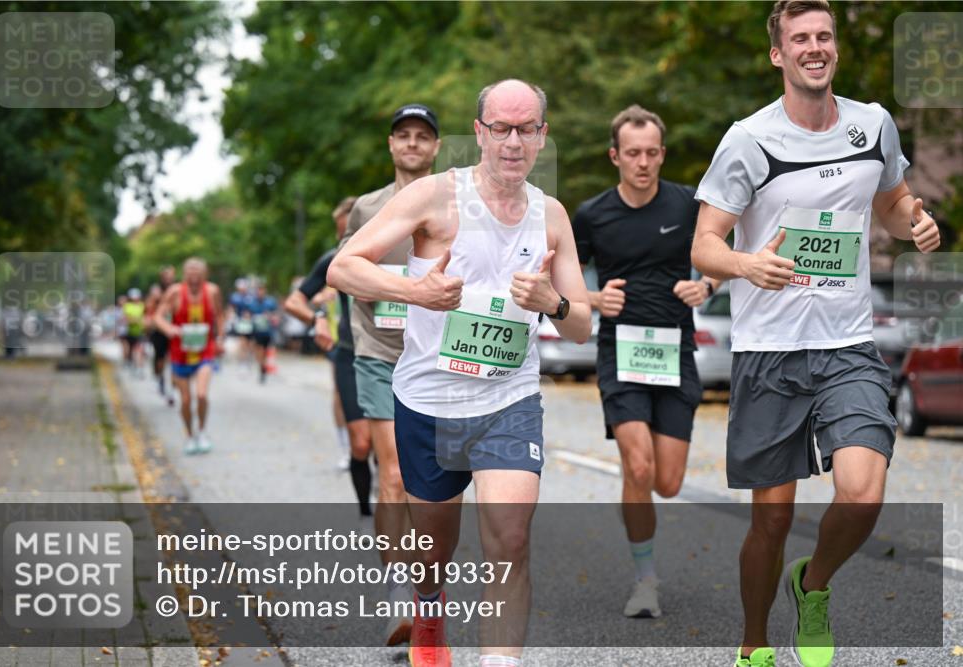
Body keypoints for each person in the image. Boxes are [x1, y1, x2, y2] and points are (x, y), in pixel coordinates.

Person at [690, 3, 941, 666]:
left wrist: (914, 222)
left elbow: (890, 204)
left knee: (862, 492)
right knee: (770, 520)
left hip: (847, 346)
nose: (814, 47)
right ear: (778, 53)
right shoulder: (749, 140)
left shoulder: (873, 125)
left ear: (835, 48)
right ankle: (754, 642)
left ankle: (816, 583)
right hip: (769, 353)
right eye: (799, 38)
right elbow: (705, 245)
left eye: (823, 36)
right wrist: (748, 263)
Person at [329, 79, 591, 667]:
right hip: (429, 399)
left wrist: (553, 302)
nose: (514, 141)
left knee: (511, 540)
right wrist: (414, 289)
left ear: (542, 136)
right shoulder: (434, 197)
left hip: (509, 398)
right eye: (501, 127)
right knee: (434, 548)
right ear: (479, 132)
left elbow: (580, 329)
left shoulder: (551, 217)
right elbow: (344, 269)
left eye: (527, 129)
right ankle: (427, 605)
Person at [573, 104, 720, 619]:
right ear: (615, 156)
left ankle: (636, 491)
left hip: (675, 352)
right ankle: (645, 579)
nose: (642, 162)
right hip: (619, 351)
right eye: (632, 153)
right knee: (638, 464)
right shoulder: (592, 215)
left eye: (651, 153)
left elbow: (722, 251)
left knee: (667, 482)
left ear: (662, 154)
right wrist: (593, 301)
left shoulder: (688, 205)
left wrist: (708, 284)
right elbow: (557, 277)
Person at [336, 103, 442, 645]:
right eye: (403, 135)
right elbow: (348, 273)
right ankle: (400, 591)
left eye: (423, 136)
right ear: (391, 144)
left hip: (437, 356)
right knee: (395, 473)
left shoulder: (453, 203)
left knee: (434, 483)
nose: (412, 144)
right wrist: (397, 289)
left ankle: (428, 589)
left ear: (436, 148)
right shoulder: (367, 208)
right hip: (378, 349)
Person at [285, 196, 375, 518]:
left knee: (391, 445)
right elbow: (293, 302)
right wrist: (316, 318)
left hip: (394, 356)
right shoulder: (334, 259)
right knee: (362, 443)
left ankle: (391, 505)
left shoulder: (394, 255)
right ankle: (367, 511)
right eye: (342, 234)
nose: (346, 240)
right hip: (350, 356)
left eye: (353, 231)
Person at [154, 258, 226, 455]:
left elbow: (220, 315)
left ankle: (202, 432)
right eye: (190, 273)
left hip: (205, 350)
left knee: (201, 395)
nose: (194, 277)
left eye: (198, 273)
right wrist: (170, 329)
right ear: (184, 275)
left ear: (204, 274)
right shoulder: (175, 292)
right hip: (180, 353)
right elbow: (158, 316)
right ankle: (189, 435)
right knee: (185, 400)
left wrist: (220, 338)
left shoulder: (212, 291)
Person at [145, 266, 176, 405]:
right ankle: (160, 378)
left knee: (173, 358)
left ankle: (172, 387)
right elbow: (149, 307)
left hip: (174, 329)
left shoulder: (177, 289)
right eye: (166, 276)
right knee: (160, 358)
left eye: (171, 275)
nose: (169, 278)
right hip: (159, 330)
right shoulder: (156, 290)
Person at [248, 283, 279, 384]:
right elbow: (248, 315)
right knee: (259, 350)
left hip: (267, 331)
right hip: (257, 331)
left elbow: (276, 315)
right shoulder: (252, 303)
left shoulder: (270, 302)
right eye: (259, 291)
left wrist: (271, 317)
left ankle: (263, 366)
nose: (261, 293)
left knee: (265, 351)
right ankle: (261, 367)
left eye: (262, 290)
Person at [122, 288, 146, 374]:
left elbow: (145, 319)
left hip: (140, 333)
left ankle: (140, 368)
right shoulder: (127, 306)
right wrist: (137, 320)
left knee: (140, 350)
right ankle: (132, 363)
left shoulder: (142, 305)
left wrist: (137, 320)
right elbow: (126, 319)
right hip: (130, 332)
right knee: (131, 351)